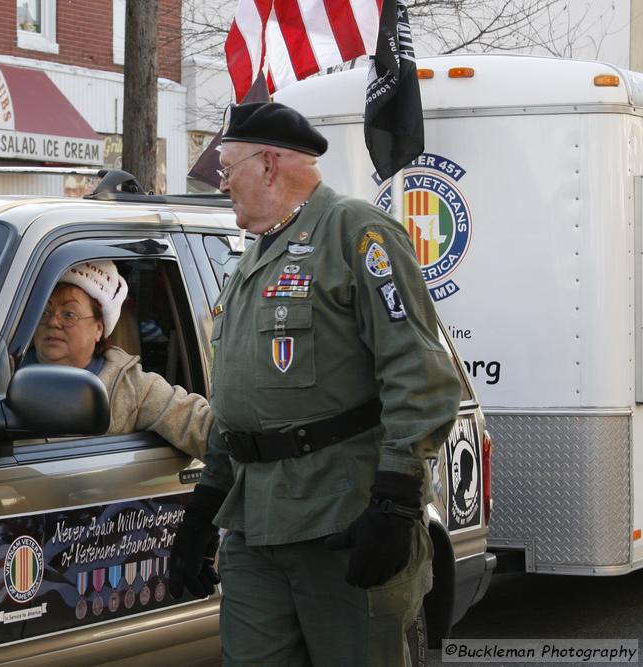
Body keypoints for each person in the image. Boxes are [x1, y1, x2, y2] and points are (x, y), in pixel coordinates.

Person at [168, 101, 462, 666]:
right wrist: (205, 507)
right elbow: (242, 404)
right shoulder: (254, 257)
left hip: (342, 520)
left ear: (270, 164)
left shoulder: (356, 234)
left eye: (227, 169)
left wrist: (397, 502)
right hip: (257, 525)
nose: (222, 184)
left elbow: (421, 376)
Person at [28, 259, 211, 460]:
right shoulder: (3, 370)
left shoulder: (131, 387)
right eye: (45, 311)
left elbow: (201, 430)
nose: (53, 321)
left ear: (99, 328)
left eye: (69, 314)